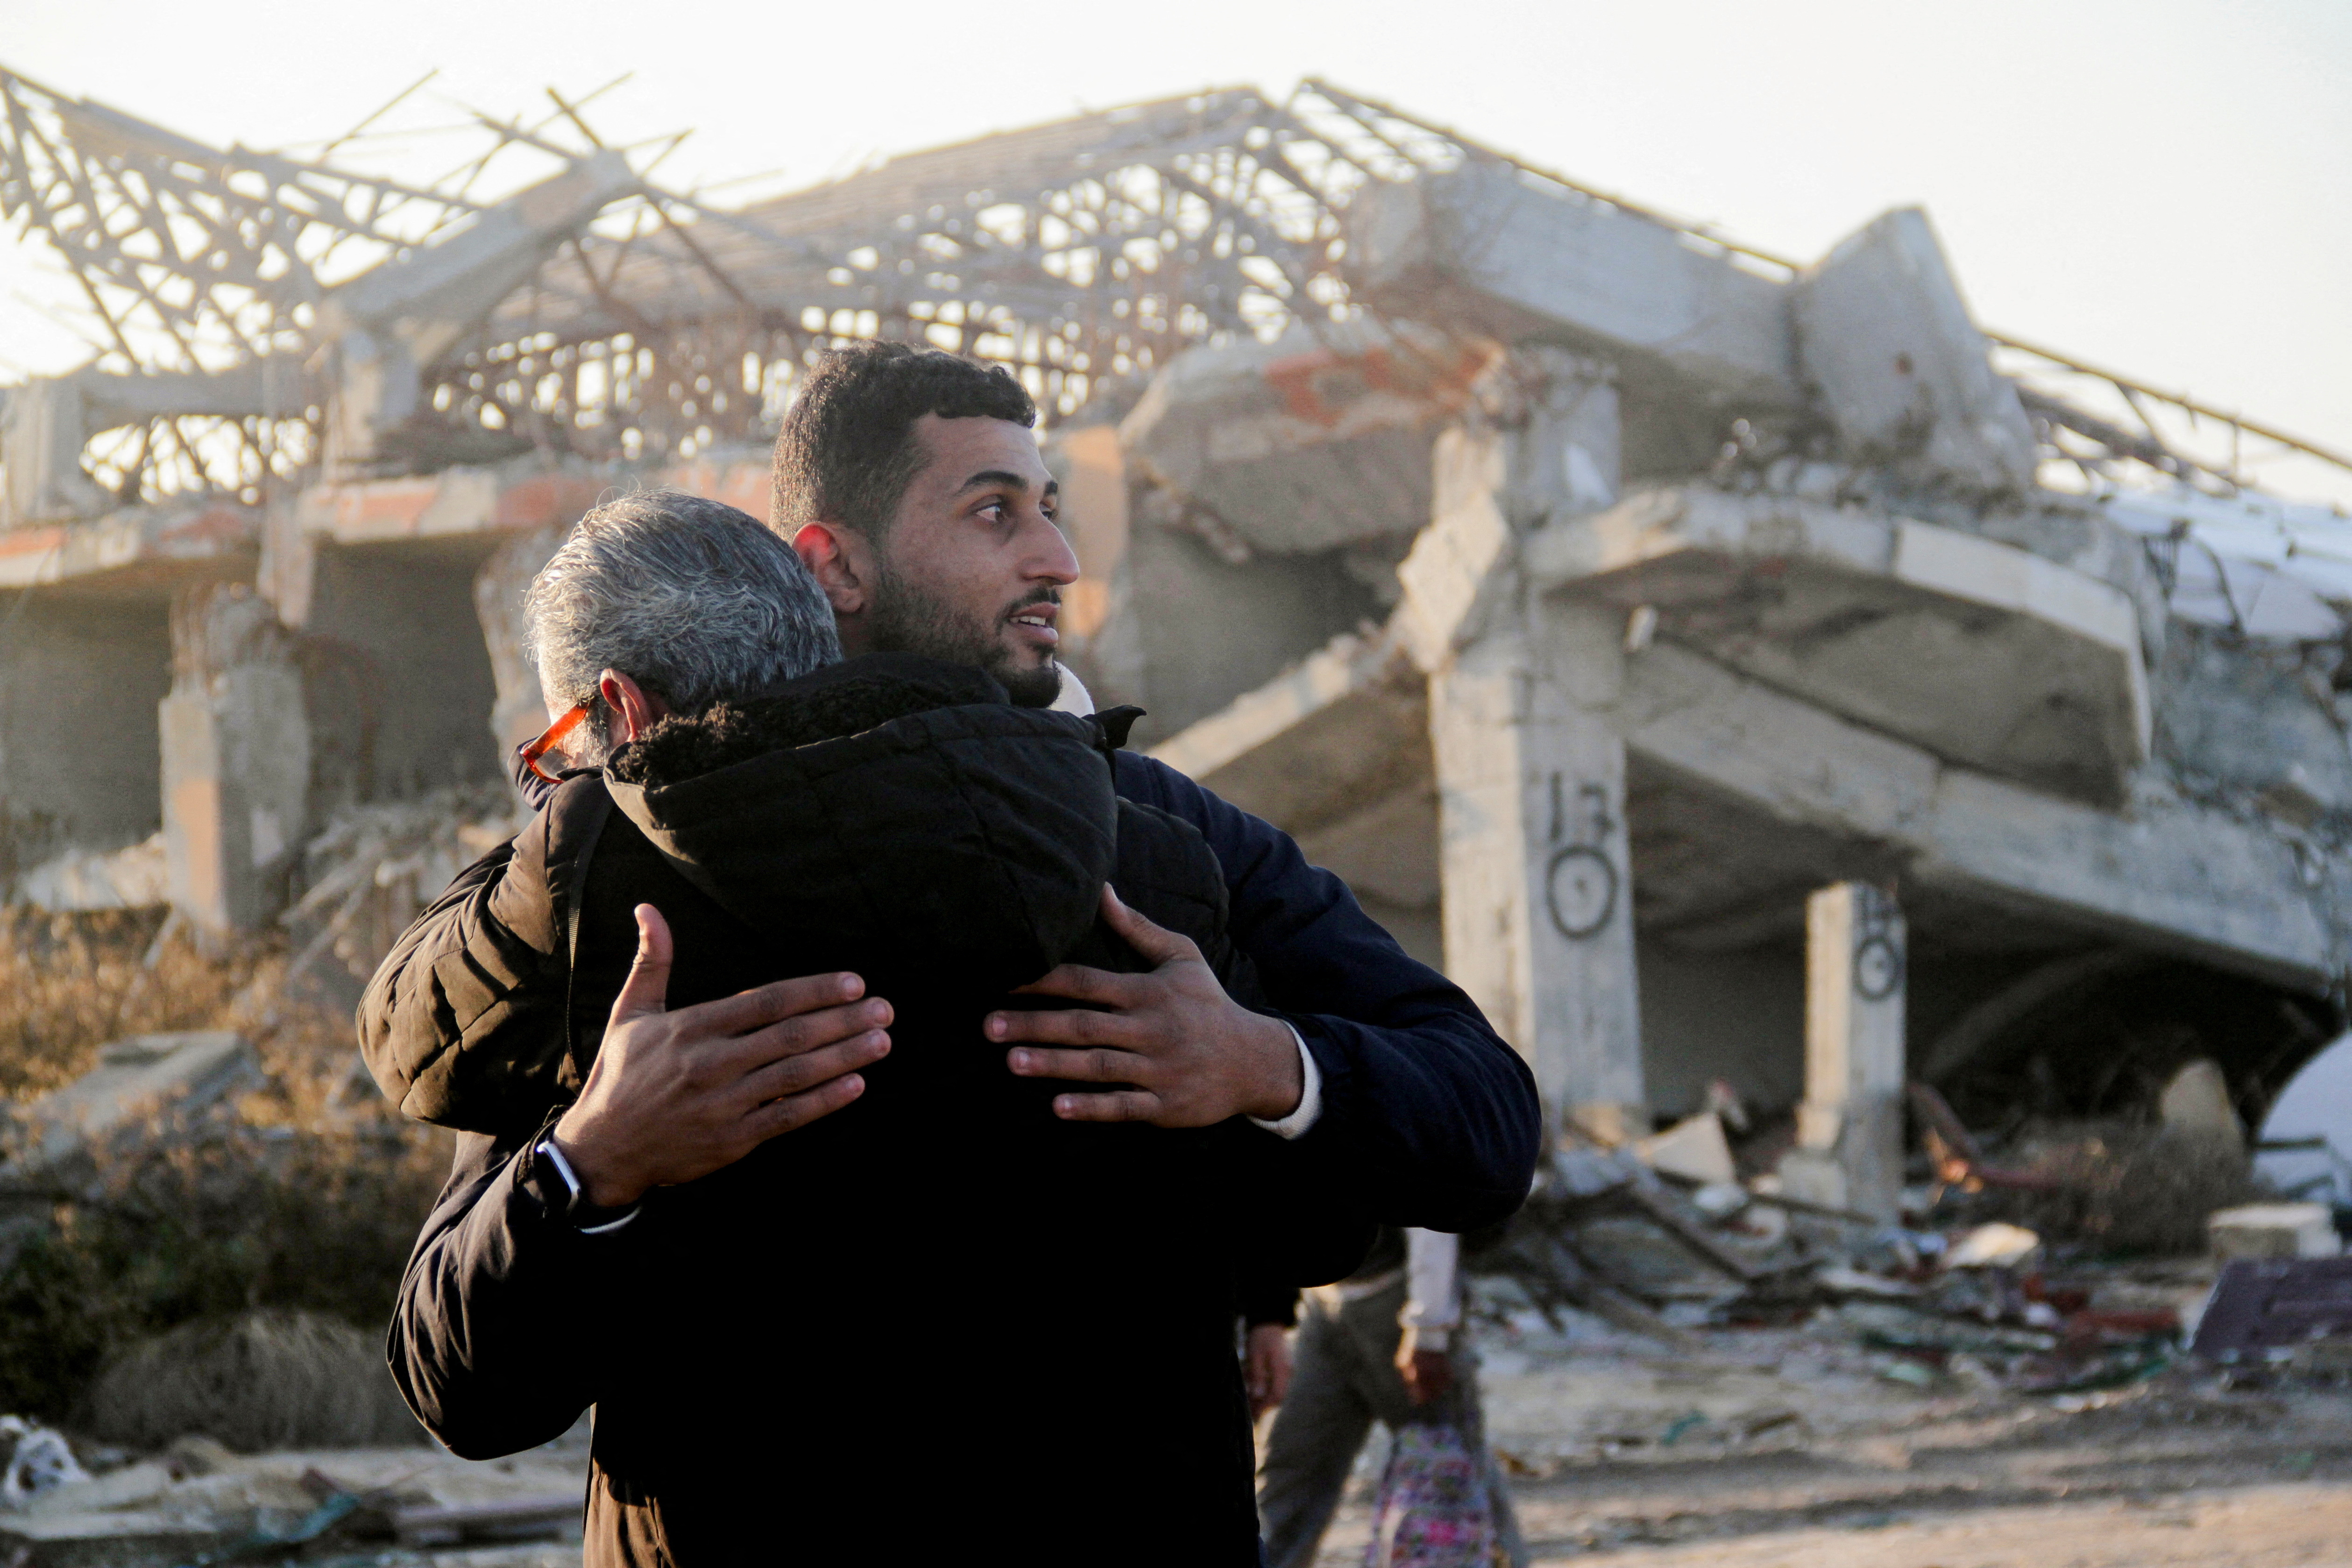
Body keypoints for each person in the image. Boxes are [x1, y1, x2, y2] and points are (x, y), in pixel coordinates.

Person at [387, 492, 1372, 1564]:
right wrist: (1273, 1073)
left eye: (559, 748)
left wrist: (587, 1166)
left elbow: (463, 1390)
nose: (554, 785)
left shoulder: (617, 953)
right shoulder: (1153, 877)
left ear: (619, 709)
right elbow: (1328, 1232)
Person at [362, 343, 1539, 1239]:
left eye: (1049, 510)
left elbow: (1489, 1125)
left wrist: (1265, 1066)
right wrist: (594, 1158)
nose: (1057, 560)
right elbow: (457, 1384)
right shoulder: (615, 880)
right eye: (994, 512)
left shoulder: (1169, 832)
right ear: (834, 564)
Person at [1257, 1228, 1528, 1568]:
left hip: (1397, 1302)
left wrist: (1429, 1328)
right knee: (1293, 1465)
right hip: (1322, 1305)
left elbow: (1431, 1216)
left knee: (1451, 1468)